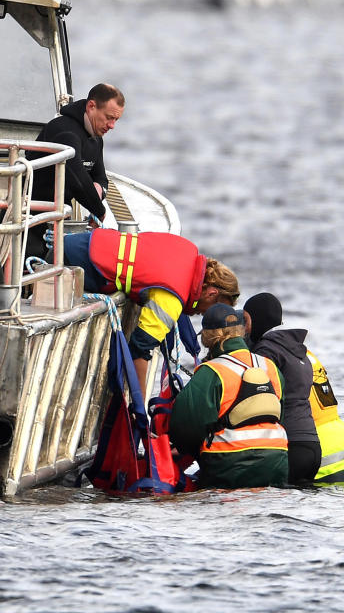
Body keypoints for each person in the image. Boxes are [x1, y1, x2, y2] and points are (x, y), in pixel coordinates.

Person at [63, 228, 239, 397]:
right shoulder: (171, 300)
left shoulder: (186, 249)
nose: (204, 315)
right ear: (211, 293)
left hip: (78, 242)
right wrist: (139, 403)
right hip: (76, 266)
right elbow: (139, 349)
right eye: (211, 310)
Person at [244, 292, 344, 484]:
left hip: (316, 448)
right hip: (339, 443)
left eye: (246, 321)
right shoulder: (301, 351)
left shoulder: (269, 353)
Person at [169, 304, 288, 489]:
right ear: (241, 331)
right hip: (277, 460)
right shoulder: (269, 366)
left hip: (229, 466)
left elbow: (184, 426)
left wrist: (188, 450)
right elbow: (281, 413)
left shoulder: (211, 372)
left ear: (208, 337)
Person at [26, 84, 125, 258]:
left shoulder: (95, 139)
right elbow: (77, 180)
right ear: (91, 106)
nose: (112, 126)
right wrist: (99, 211)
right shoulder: (64, 130)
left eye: (116, 120)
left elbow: (101, 178)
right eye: (109, 118)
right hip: (30, 219)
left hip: (60, 217)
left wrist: (98, 190)